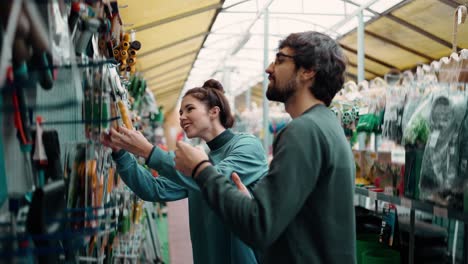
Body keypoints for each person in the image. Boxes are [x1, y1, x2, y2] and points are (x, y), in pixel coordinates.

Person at [173, 31, 356, 263]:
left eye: (280, 60)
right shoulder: (327, 125)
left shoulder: (303, 131)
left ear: (308, 71)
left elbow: (259, 226)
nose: (269, 68)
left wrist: (201, 169)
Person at [101, 79, 268, 264]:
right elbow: (154, 188)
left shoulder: (247, 145)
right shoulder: (198, 158)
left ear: (214, 111)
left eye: (189, 109)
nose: (181, 117)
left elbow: (214, 178)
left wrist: (148, 151)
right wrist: (121, 153)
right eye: (180, 112)